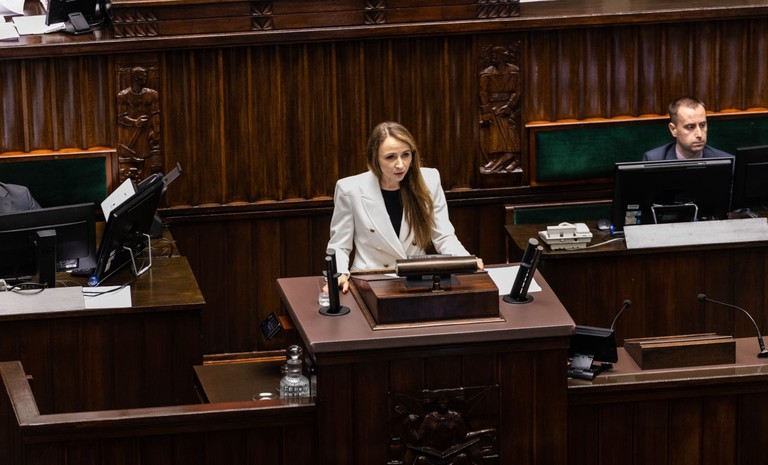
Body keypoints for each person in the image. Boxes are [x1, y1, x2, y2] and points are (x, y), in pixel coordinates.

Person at [326, 122, 482, 293]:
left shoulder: (429, 180)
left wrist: (466, 261)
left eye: (406, 155)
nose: (400, 164)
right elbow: (340, 245)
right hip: (369, 280)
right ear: (375, 158)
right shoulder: (349, 189)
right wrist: (339, 274)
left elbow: (443, 236)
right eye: (390, 157)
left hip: (416, 279)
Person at [642, 96, 733, 161]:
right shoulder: (653, 160)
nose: (699, 134)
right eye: (690, 127)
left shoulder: (726, 161)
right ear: (673, 129)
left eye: (702, 125)